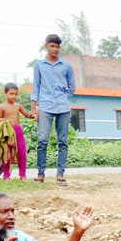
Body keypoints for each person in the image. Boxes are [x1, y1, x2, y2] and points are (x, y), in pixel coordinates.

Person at [31, 34, 75, 185]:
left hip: (63, 107)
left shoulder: (66, 66)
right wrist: (34, 108)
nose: (55, 49)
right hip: (45, 107)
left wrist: (63, 91)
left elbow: (72, 87)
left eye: (57, 46)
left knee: (62, 141)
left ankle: (60, 174)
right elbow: (35, 86)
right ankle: (41, 173)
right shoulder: (39, 65)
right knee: (42, 140)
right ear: (46, 46)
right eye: (52, 46)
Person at [0, 83, 35, 181]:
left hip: (18, 130)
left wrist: (34, 114)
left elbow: (27, 115)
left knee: (22, 152)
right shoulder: (2, 107)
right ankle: (6, 176)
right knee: (6, 153)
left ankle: (23, 175)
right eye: (11, 94)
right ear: (5, 93)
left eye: (16, 94)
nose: (14, 96)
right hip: (7, 132)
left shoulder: (18, 106)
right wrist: (1, 121)